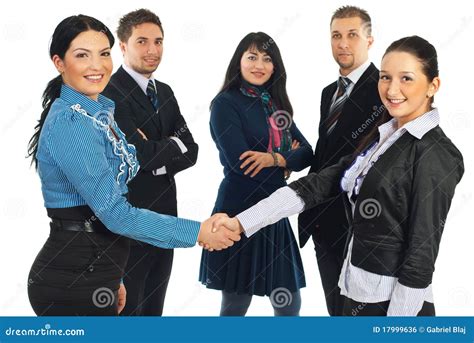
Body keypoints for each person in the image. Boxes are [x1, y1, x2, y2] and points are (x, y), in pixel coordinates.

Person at [215, 36, 464, 316]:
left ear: (433, 86)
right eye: (385, 77)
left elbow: (421, 256)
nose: (392, 89)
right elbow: (318, 185)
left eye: (406, 78)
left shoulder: (435, 152)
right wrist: (239, 223)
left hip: (395, 305)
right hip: (356, 289)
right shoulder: (384, 135)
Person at [26, 14, 239, 316]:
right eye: (82, 55)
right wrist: (198, 232)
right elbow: (114, 214)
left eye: (103, 54)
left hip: (100, 268)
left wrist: (113, 274)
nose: (97, 66)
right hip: (73, 277)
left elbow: (184, 150)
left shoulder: (97, 111)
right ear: (59, 62)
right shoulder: (73, 122)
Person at [198, 32, 313, 316]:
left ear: (275, 67)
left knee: (289, 303)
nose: (258, 64)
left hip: (274, 207)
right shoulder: (226, 103)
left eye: (266, 58)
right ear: (239, 62)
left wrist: (273, 158)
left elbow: (308, 153)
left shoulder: (275, 106)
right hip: (238, 209)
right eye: (251, 57)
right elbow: (242, 163)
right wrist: (286, 162)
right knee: (236, 304)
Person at [102, 9, 198, 316]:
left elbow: (192, 149)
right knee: (128, 310)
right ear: (123, 45)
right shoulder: (110, 92)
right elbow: (140, 154)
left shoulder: (165, 92)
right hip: (132, 220)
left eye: (158, 41)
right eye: (142, 41)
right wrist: (168, 147)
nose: (152, 50)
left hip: (167, 215)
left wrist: (157, 153)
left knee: (155, 309)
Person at [298, 6, 386, 316]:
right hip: (324, 222)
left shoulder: (384, 88)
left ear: (369, 40)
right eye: (336, 36)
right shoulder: (328, 93)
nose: (343, 44)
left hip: (361, 225)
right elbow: (326, 154)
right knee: (336, 313)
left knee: (362, 317)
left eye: (352, 35)